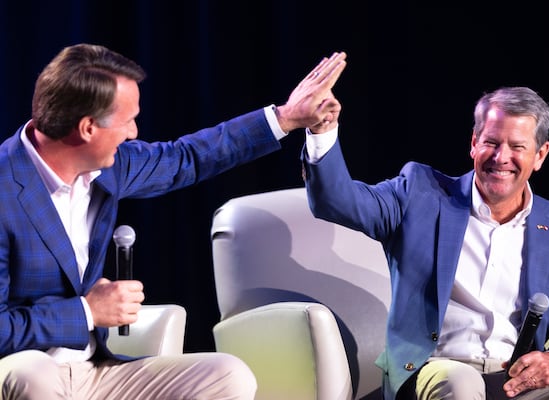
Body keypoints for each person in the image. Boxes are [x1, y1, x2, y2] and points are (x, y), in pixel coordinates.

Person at [0, 43, 346, 399]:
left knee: (227, 374)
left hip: (94, 369)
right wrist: (87, 311)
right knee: (33, 374)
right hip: (20, 370)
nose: (133, 133)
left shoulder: (109, 167)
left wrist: (287, 116)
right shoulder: (5, 189)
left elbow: (187, 158)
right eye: (127, 121)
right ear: (88, 128)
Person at [301, 86, 549, 399]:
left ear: (540, 155)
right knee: (461, 383)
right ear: (474, 143)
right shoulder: (420, 194)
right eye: (492, 142)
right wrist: (322, 130)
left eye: (517, 147)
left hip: (516, 381)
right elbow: (337, 202)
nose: (502, 157)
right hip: (437, 369)